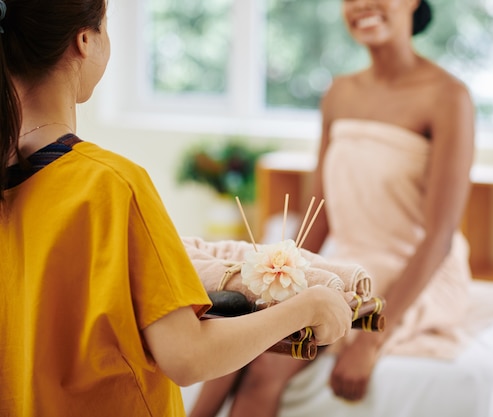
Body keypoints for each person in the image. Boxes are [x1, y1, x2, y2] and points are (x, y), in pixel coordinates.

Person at [0, 1, 353, 415]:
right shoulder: (111, 183)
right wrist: (308, 307)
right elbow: (187, 356)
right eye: (106, 27)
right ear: (84, 40)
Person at [188, 0, 475, 415]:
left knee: (266, 366)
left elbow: (441, 236)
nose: (362, 5)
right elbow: (317, 215)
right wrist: (281, 277)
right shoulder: (340, 93)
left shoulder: (448, 96)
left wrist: (372, 337)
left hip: (418, 268)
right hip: (351, 259)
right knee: (242, 327)